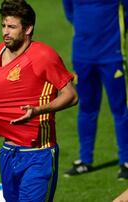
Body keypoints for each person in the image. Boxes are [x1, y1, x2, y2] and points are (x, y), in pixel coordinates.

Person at [0, 0, 78, 201]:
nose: (5, 32)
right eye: (3, 26)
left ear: (28, 29)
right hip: (8, 151)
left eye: (12, 27)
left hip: (39, 153)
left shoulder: (43, 55)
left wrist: (37, 110)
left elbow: (71, 95)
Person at [62, 0, 128, 180]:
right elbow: (69, 12)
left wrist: (113, 35)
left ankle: (126, 161)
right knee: (86, 107)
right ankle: (85, 160)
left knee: (120, 108)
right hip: (82, 56)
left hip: (112, 55)